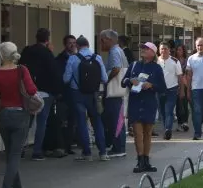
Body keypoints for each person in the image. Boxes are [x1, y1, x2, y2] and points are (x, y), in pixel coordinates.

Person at [0, 42, 38, 188]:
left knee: (10, 154)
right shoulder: (22, 70)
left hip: (4, 115)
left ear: (1, 55)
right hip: (21, 114)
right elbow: (32, 90)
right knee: (14, 155)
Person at [63, 36, 110, 161]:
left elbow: (66, 79)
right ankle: (103, 153)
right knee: (97, 122)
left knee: (81, 122)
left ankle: (87, 153)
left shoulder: (73, 59)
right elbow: (105, 79)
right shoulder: (97, 58)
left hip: (77, 94)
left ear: (77, 46)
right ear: (88, 45)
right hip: (93, 94)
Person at [122, 42, 166, 173]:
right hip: (135, 102)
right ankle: (139, 160)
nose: (143, 50)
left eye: (146, 49)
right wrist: (130, 80)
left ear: (153, 53)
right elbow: (123, 82)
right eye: (142, 48)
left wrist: (151, 85)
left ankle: (146, 160)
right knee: (137, 133)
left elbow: (162, 88)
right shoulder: (134, 65)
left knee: (147, 133)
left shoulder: (157, 68)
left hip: (149, 103)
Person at [19, 28, 62, 161]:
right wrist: (57, 91)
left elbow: (20, 67)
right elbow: (54, 73)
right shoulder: (47, 53)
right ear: (47, 39)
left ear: (36, 37)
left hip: (29, 90)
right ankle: (37, 151)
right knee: (42, 121)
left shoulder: (27, 51)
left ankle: (19, 149)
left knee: (27, 121)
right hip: (46, 91)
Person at [99, 29, 128, 157]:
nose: (101, 43)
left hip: (114, 92)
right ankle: (118, 145)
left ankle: (118, 148)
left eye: (102, 40)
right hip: (119, 91)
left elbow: (116, 68)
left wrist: (106, 80)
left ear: (108, 40)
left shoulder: (114, 51)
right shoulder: (119, 50)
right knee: (117, 119)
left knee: (115, 119)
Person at [53, 35, 77, 155]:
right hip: (64, 94)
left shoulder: (77, 58)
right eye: (69, 43)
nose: (72, 45)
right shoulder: (60, 59)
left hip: (74, 94)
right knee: (62, 121)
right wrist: (59, 92)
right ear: (65, 45)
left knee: (72, 121)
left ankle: (68, 146)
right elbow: (58, 77)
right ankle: (61, 145)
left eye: (74, 43)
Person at [157, 42, 183, 140]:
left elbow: (180, 77)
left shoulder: (175, 61)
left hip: (172, 89)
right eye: (161, 49)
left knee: (169, 110)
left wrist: (181, 91)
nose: (163, 51)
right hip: (159, 90)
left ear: (169, 50)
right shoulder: (156, 61)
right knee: (162, 112)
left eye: (165, 49)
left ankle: (168, 129)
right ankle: (166, 129)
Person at [174, 45, 190, 132]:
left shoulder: (187, 61)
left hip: (185, 84)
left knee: (184, 104)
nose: (178, 51)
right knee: (178, 105)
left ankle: (185, 122)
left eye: (180, 50)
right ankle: (180, 123)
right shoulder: (174, 61)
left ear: (183, 51)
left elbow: (188, 72)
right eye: (177, 50)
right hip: (176, 85)